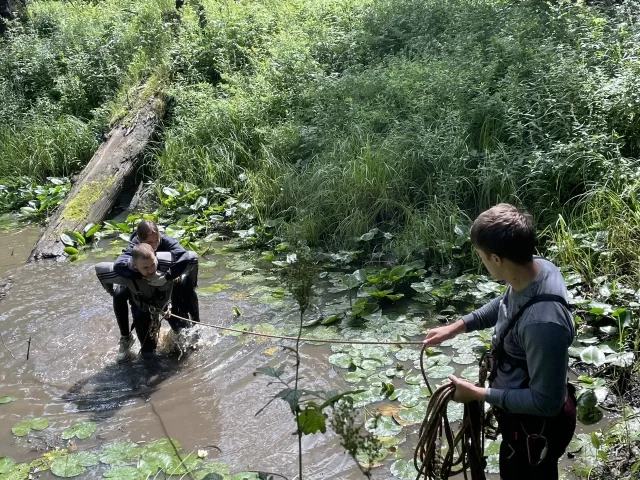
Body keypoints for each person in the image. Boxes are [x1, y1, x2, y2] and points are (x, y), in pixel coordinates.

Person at [423, 203, 576, 480]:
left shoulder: (543, 325)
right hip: (518, 420)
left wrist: (477, 394)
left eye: (481, 257)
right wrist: (456, 327)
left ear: (496, 259)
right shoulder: (538, 269)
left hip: (535, 429)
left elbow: (546, 402)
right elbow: (507, 302)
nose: (483, 263)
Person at [111, 220, 199, 361]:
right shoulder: (134, 247)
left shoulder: (165, 240)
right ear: (140, 240)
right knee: (147, 352)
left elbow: (186, 256)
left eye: (156, 241)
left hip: (169, 291)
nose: (154, 246)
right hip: (143, 297)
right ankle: (126, 337)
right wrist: (142, 275)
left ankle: (196, 325)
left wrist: (166, 276)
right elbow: (118, 266)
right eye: (149, 243)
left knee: (185, 339)